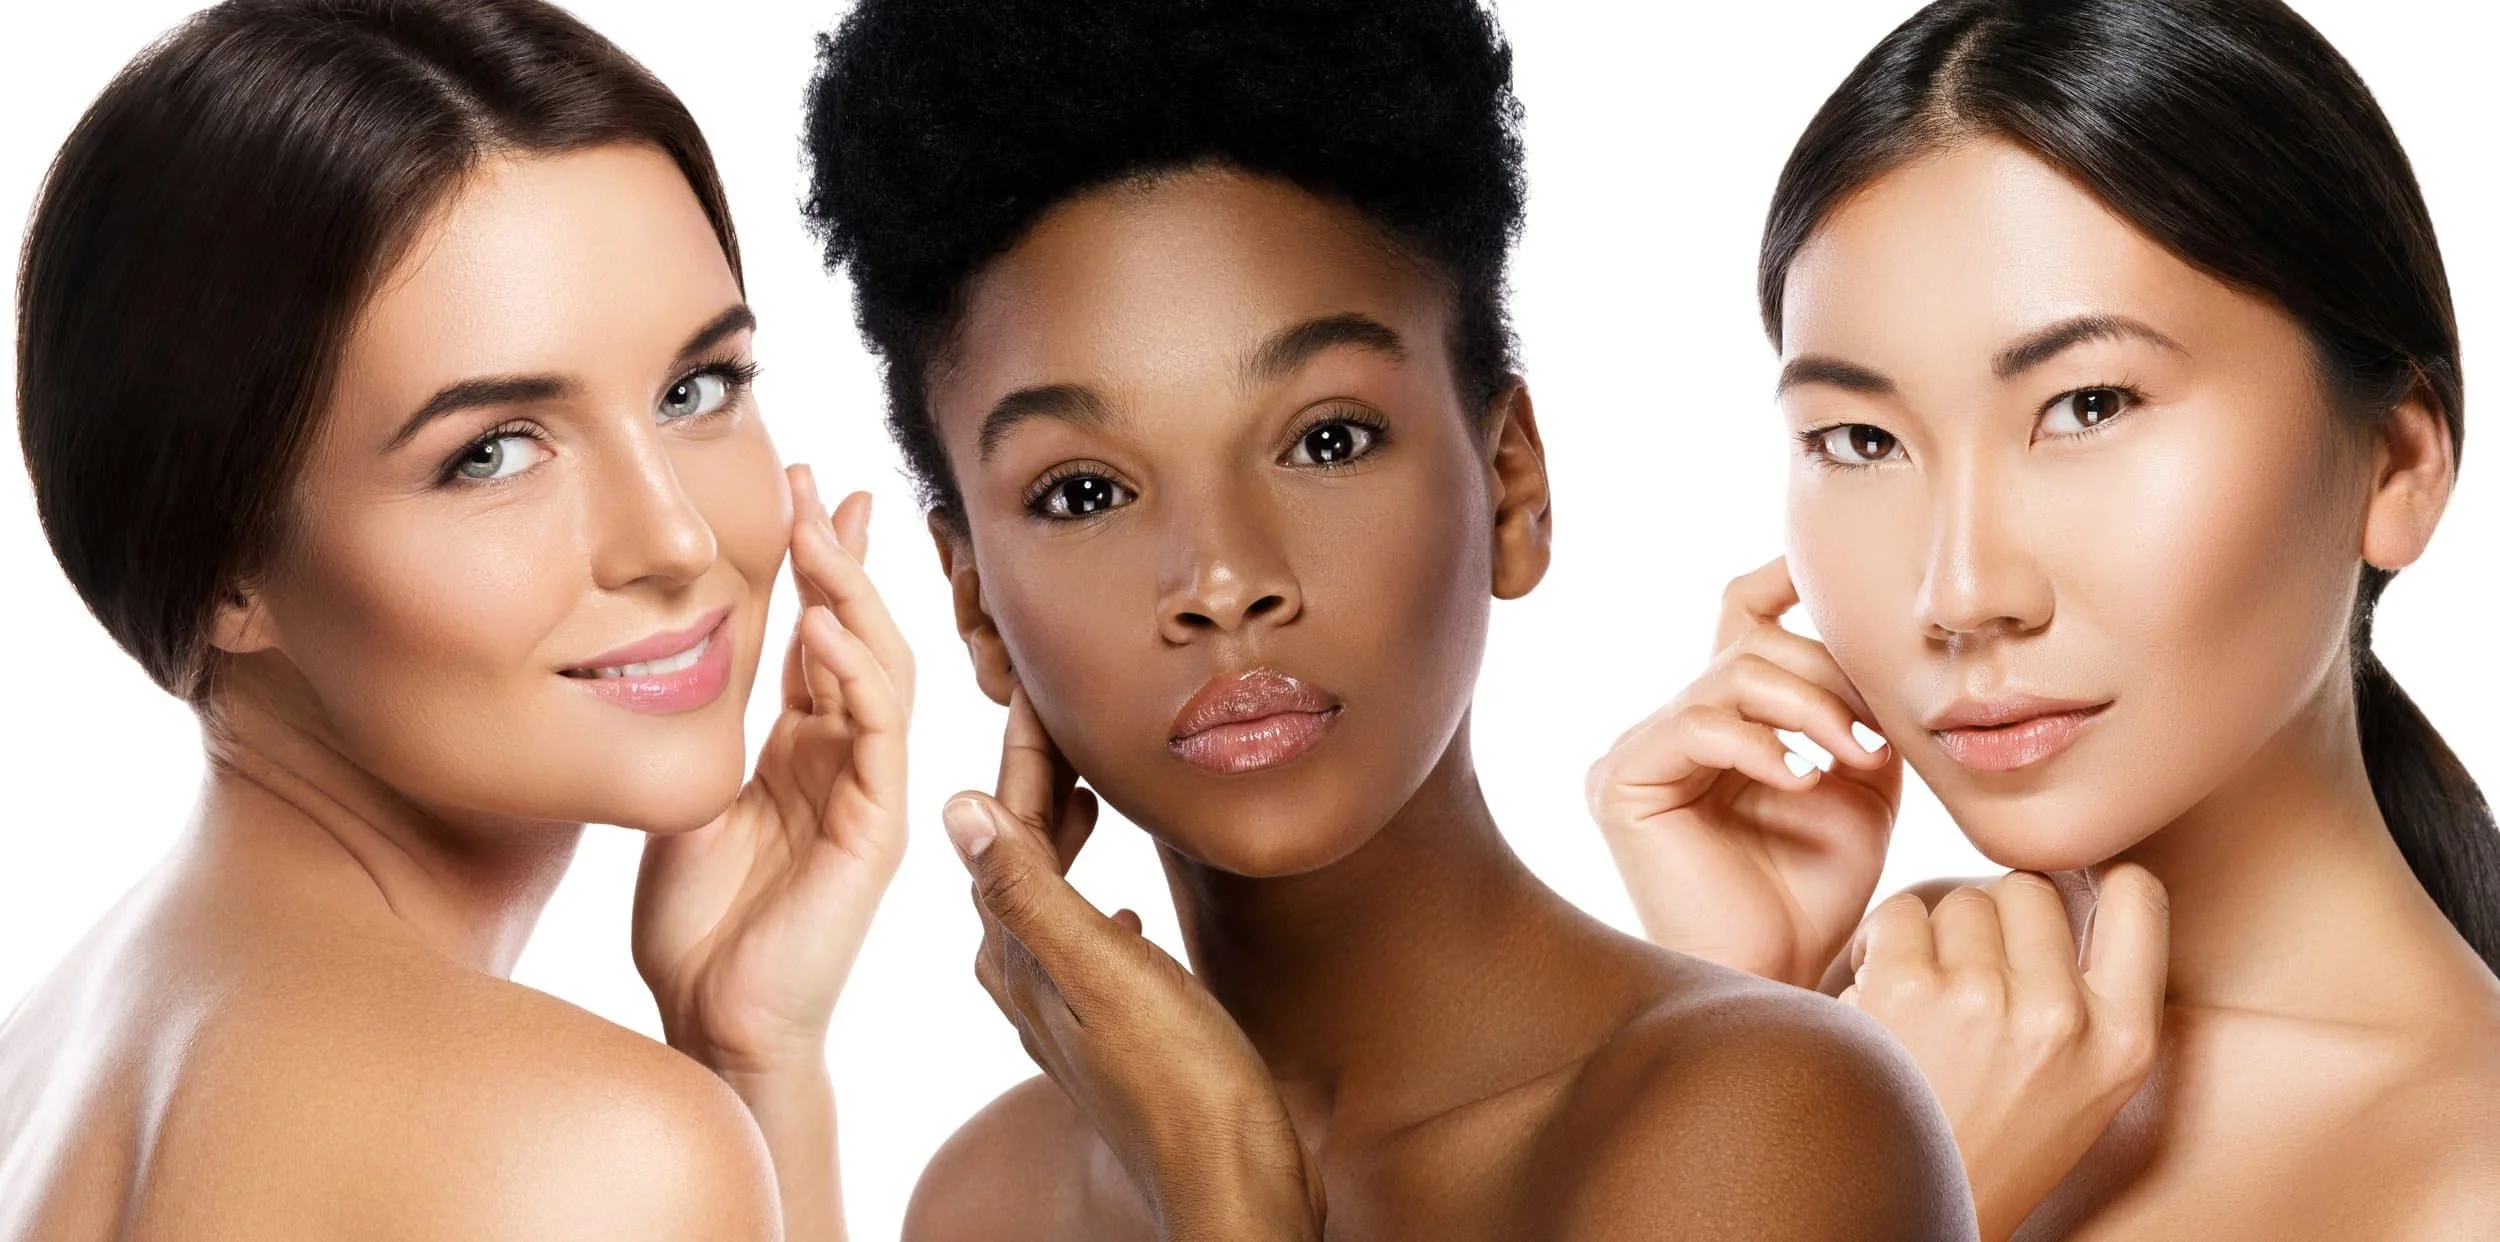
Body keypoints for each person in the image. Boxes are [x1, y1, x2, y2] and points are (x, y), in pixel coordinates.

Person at [803, 0, 1973, 1237]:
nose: (1220, 579)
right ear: (975, 604)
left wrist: (1230, 1185)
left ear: (1512, 481)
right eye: (1083, 491)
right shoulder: (990, 1201)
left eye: (1326, 439)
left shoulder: (1768, 1127)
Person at [1586, 1, 2500, 1237]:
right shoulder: (1884, 1029)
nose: (1959, 594)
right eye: (1858, 439)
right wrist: (1742, 1013)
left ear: (2395, 465)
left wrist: (1900, 1187)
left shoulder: (2463, 1174)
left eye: (2086, 407)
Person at [0, 2, 912, 1237]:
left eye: (698, 388)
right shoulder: (577, 1150)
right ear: (224, 566)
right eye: (490, 453)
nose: (677, 540)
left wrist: (756, 1056)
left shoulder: (58, 1060)